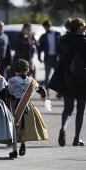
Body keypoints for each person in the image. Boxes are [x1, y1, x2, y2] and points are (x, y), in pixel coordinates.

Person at [48, 17, 86, 147]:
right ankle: (77, 138)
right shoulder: (83, 42)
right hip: (82, 79)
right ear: (80, 28)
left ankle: (63, 127)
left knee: (68, 108)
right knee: (81, 109)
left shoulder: (64, 40)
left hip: (67, 78)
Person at [8, 59, 48, 156]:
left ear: (15, 70)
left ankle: (14, 150)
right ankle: (23, 145)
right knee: (24, 127)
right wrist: (44, 97)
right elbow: (41, 89)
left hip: (14, 106)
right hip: (27, 107)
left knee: (15, 128)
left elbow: (7, 93)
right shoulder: (31, 81)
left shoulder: (12, 80)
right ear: (27, 69)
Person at [38, 20, 61, 98]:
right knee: (47, 76)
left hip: (56, 58)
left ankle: (59, 92)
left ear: (49, 26)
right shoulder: (44, 36)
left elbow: (61, 47)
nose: (45, 29)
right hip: (47, 58)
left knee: (58, 76)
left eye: (46, 28)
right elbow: (40, 47)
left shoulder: (58, 34)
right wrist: (39, 56)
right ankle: (47, 92)